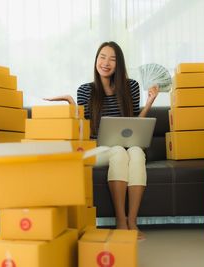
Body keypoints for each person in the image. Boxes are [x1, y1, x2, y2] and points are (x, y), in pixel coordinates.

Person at [45, 41, 159, 239]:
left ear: (119, 64)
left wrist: (149, 103)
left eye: (112, 59)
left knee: (137, 152)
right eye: (102, 57)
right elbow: (85, 131)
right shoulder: (85, 90)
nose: (106, 63)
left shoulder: (130, 86)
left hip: (125, 146)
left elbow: (134, 126)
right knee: (118, 152)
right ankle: (120, 221)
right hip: (99, 148)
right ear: (96, 60)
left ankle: (132, 221)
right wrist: (73, 104)